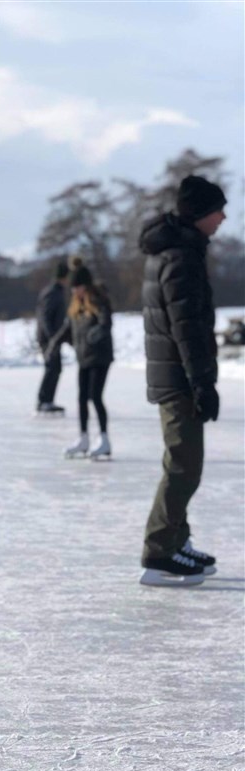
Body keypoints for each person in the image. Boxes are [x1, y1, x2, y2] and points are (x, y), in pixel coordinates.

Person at [137, 174, 226, 587]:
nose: (224, 217)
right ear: (199, 214)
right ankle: (159, 551)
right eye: (217, 210)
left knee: (184, 463)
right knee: (183, 466)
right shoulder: (179, 256)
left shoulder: (177, 250)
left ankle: (176, 539)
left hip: (174, 374)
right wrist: (202, 382)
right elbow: (186, 327)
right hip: (179, 377)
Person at [46, 265, 114, 460]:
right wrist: (54, 343)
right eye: (73, 287)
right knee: (82, 398)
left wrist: (95, 335)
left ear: (86, 285)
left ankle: (104, 439)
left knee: (95, 396)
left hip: (100, 357)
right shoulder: (76, 305)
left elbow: (106, 323)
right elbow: (68, 328)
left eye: (78, 286)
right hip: (83, 357)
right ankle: (83, 437)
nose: (75, 290)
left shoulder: (99, 301)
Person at [34, 260, 69, 414]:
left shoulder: (57, 291)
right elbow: (45, 317)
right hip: (49, 338)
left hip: (53, 337)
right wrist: (52, 338)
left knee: (55, 367)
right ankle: (43, 401)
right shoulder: (52, 293)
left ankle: (47, 400)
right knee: (52, 367)